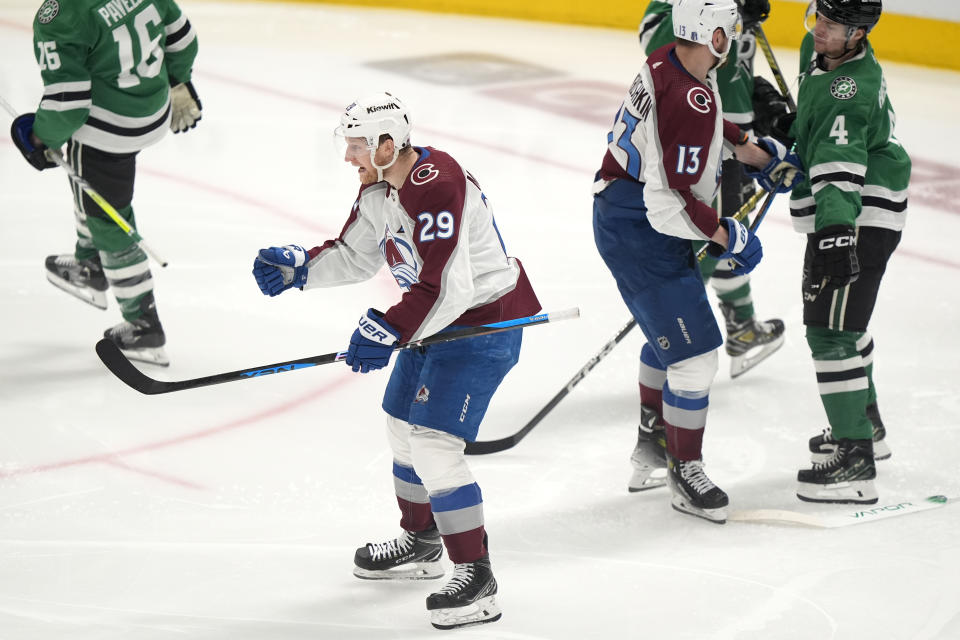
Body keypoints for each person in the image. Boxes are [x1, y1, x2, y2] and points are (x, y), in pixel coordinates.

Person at [251, 93, 540, 630]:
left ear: (388, 144)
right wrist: (300, 271)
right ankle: (422, 541)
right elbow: (355, 253)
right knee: (401, 430)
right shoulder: (380, 188)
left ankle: (477, 578)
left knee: (433, 446)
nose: (349, 157)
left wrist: (389, 328)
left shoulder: (438, 184)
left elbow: (449, 288)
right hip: (433, 323)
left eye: (357, 146)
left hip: (480, 325)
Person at [593, 0, 802, 523]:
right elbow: (669, 205)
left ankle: (652, 446)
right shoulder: (689, 95)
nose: (732, 39)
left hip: (622, 213)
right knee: (697, 356)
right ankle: (685, 470)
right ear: (712, 35)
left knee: (669, 337)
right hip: (640, 228)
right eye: (727, 31)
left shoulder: (672, 59)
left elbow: (702, 128)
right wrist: (727, 233)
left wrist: (755, 151)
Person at [10, 0, 202, 366]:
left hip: (108, 131)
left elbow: (68, 104)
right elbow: (183, 38)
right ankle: (90, 265)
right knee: (89, 187)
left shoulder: (62, 14)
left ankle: (143, 323)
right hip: (154, 109)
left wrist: (39, 139)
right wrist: (179, 79)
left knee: (106, 214)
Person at [786, 0, 909, 504]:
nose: (820, 30)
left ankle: (856, 462)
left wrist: (836, 232)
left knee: (830, 331)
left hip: (855, 213)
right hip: (859, 207)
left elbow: (840, 164)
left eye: (833, 26)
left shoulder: (849, 88)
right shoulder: (819, 54)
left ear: (858, 34)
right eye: (819, 17)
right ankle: (868, 426)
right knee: (847, 325)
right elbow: (813, 133)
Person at [639, 0, 787, 383]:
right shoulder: (695, 5)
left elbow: (732, 70)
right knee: (706, 236)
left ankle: (739, 324)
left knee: (728, 232)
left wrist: (761, 101)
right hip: (704, 137)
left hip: (733, 137)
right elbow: (656, 37)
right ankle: (676, 328)